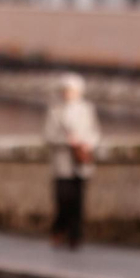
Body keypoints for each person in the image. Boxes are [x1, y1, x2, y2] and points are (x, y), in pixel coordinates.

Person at [44, 73, 99, 249]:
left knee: (78, 201)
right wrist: (67, 141)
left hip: (80, 162)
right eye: (66, 90)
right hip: (62, 163)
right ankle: (60, 229)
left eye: (72, 90)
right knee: (62, 198)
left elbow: (94, 132)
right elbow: (48, 136)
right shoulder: (55, 110)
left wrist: (86, 144)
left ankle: (75, 236)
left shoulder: (86, 109)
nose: (68, 93)